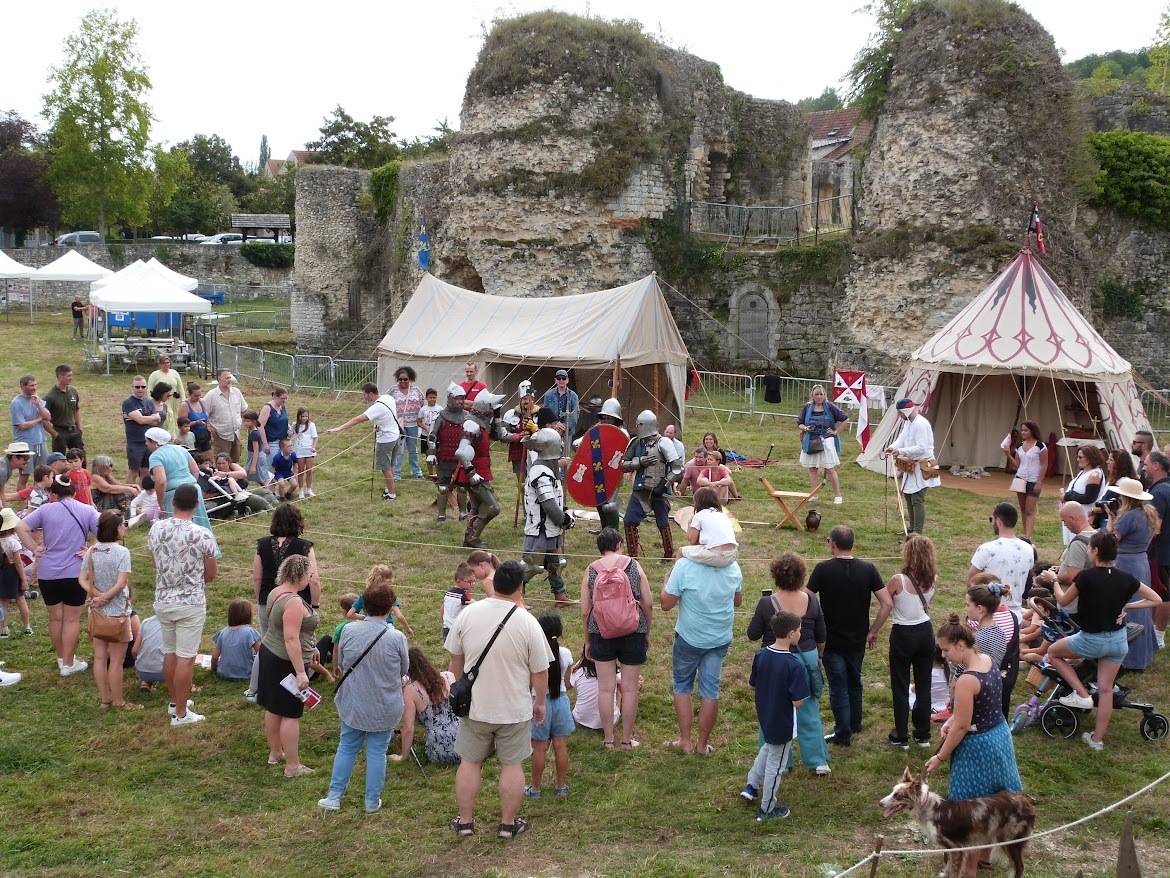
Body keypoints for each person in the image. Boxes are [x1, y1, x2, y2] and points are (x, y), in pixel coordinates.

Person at [445, 560, 553, 841]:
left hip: (475, 706)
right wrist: (539, 703)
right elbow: (540, 671)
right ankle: (507, 825)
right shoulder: (528, 622)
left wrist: (456, 689)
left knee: (469, 762)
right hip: (513, 709)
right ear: (520, 587)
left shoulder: (469, 614)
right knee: (512, 765)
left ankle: (465, 823)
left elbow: (455, 662)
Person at [924, 615, 1023, 877]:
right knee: (995, 799)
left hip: (977, 748)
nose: (943, 655)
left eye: (945, 650)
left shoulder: (967, 680)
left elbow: (962, 727)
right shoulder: (987, 660)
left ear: (960, 645)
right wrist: (955, 718)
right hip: (999, 736)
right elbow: (977, 708)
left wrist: (940, 756)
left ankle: (968, 868)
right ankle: (986, 857)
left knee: (969, 809)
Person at [1050, 532, 1163, 749]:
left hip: (1091, 640)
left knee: (1053, 653)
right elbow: (1155, 599)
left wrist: (1054, 581)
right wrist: (1128, 606)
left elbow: (1063, 602)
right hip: (1118, 641)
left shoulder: (1085, 577)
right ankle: (1097, 740)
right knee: (1106, 689)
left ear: (1095, 551)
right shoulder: (1126, 578)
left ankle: (1081, 694)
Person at [318, 579, 410, 812]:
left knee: (347, 745)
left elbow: (342, 663)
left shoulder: (348, 630)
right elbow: (403, 671)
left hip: (354, 701)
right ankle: (371, 801)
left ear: (363, 606)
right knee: (377, 750)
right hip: (384, 703)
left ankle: (334, 796)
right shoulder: (396, 637)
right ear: (391, 608)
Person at [806, 525, 891, 746]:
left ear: (832, 543)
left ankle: (843, 733)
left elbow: (806, 597)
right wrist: (873, 631)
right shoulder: (868, 568)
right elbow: (887, 603)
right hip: (858, 639)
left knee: (838, 687)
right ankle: (855, 723)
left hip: (831, 640)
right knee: (855, 682)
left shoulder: (823, 569)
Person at [746, 553, 830, 774]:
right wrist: (819, 658)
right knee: (808, 707)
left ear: (775, 575)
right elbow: (821, 634)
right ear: (802, 575)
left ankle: (779, 762)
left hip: (773, 660)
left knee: (772, 709)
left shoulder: (766, 603)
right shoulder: (811, 600)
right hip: (806, 657)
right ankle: (817, 761)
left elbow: (753, 634)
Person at [147, 483, 218, 726]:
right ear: (197, 505)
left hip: (164, 599)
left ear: (173, 503)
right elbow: (211, 573)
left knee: (170, 652)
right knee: (186, 657)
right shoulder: (202, 534)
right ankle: (180, 714)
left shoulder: (156, 529)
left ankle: (176, 701)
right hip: (191, 602)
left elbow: (156, 563)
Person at [661, 549, 743, 755]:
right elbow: (738, 601)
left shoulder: (684, 566)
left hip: (689, 638)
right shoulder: (733, 566)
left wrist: (666, 581)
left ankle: (685, 742)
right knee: (710, 690)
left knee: (682, 686)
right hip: (718, 638)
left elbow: (665, 604)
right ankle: (701, 745)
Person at [16, 475, 99, 675]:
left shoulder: (45, 509)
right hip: (74, 572)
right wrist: (91, 549)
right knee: (71, 620)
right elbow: (107, 533)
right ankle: (69, 664)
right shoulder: (88, 510)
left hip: (47, 572)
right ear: (74, 491)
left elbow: (20, 527)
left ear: (53, 494)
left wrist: (34, 548)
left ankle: (62, 659)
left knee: (55, 619)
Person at [580, 527, 652, 750]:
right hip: (633, 630)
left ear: (600, 548)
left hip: (601, 631)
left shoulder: (591, 570)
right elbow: (647, 603)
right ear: (620, 544)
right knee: (629, 689)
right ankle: (627, 739)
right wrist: (646, 630)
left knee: (605, 688)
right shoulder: (633, 565)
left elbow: (585, 610)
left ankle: (608, 739)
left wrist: (588, 639)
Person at [741, 611, 810, 821]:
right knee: (776, 765)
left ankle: (752, 785)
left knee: (768, 748)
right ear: (791, 634)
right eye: (799, 631)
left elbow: (752, 684)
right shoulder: (794, 664)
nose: (800, 634)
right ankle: (768, 808)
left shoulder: (761, 654)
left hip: (766, 714)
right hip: (784, 721)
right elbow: (798, 701)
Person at [257, 554, 320, 775]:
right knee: (291, 713)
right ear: (301, 576)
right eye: (309, 575)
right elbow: (291, 638)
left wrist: (312, 646)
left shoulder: (276, 592)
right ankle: (292, 766)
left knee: (273, 707)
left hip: (269, 652)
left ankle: (275, 753)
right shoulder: (293, 601)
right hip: (286, 661)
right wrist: (301, 673)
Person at [877, 534, 938, 749]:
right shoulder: (933, 578)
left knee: (900, 685)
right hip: (925, 632)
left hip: (903, 633)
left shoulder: (898, 580)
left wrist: (873, 630)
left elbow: (885, 601)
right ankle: (923, 734)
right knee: (924, 684)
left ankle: (901, 735)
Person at [80, 511, 139, 710]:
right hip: (118, 614)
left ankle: (105, 699)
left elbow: (82, 579)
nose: (124, 528)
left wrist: (96, 596)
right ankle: (119, 701)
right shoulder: (122, 552)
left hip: (97, 613)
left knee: (99, 657)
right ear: (116, 528)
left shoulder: (92, 551)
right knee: (116, 660)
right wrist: (104, 597)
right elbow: (122, 583)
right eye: (123, 524)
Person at [1104, 477, 1159, 670]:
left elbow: (1112, 539)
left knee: (1128, 606)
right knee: (1141, 606)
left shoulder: (1130, 516)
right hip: (1141, 561)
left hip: (1127, 563)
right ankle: (1142, 653)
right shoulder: (1148, 513)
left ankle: (1130, 658)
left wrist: (1110, 519)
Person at [622, 410, 683, 561]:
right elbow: (624, 464)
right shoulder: (636, 442)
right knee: (629, 521)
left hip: (659, 491)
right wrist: (640, 462)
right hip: (640, 490)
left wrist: (664, 484)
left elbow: (678, 468)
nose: (639, 427)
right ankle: (632, 557)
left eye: (641, 424)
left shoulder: (664, 442)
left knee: (662, 522)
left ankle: (668, 555)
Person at [522, 427, 574, 602]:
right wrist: (564, 520)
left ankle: (560, 596)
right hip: (540, 529)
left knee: (555, 563)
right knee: (532, 566)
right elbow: (549, 505)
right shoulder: (540, 473)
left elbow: (556, 500)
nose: (560, 449)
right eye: (559, 446)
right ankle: (513, 597)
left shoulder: (548, 470)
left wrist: (564, 511)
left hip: (551, 528)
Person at [526, 613, 574, 798]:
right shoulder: (566, 653)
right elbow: (568, 683)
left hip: (540, 703)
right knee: (560, 746)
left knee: (539, 748)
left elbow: (529, 684)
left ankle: (536, 789)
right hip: (561, 701)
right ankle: (561, 787)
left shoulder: (533, 655)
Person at [145, 428, 219, 544]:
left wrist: (160, 503)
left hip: (174, 493)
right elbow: (195, 470)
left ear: (154, 442)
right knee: (200, 522)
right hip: (194, 488)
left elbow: (161, 481)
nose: (145, 443)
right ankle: (207, 549)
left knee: (177, 528)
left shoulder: (155, 456)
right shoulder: (181, 449)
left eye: (147, 441)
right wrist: (190, 485)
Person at [328, 382, 399, 501]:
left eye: (364, 394)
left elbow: (357, 419)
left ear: (371, 394)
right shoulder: (388, 398)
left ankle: (391, 495)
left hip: (385, 440)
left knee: (385, 467)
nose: (363, 397)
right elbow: (386, 416)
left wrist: (339, 428)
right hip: (395, 436)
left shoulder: (376, 407)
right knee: (390, 465)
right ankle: (389, 489)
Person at [392, 646, 460, 765]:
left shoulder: (411, 691)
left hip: (440, 751)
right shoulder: (449, 676)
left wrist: (403, 756)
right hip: (466, 746)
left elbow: (408, 729)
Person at [967, 502, 1035, 616]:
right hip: (1016, 615)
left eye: (991, 519)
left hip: (989, 613)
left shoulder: (986, 549)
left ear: (998, 521)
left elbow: (971, 581)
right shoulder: (1028, 549)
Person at [884, 397, 940, 534]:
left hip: (923, 466)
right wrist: (892, 447)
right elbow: (902, 439)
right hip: (912, 466)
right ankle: (911, 528)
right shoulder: (909, 422)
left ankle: (917, 533)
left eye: (899, 412)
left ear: (905, 411)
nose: (899, 415)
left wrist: (901, 451)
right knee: (909, 497)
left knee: (917, 499)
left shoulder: (921, 424)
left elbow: (921, 448)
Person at [458, 392, 505, 548]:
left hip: (481, 470)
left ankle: (469, 537)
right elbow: (461, 451)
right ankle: (473, 538)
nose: (492, 410)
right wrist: (471, 473)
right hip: (473, 472)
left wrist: (498, 415)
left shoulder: (481, 424)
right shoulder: (471, 424)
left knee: (478, 507)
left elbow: (498, 435)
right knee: (493, 507)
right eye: (491, 408)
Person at [797, 385, 849, 505]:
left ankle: (838, 496)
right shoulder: (807, 407)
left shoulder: (830, 406)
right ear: (813, 396)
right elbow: (800, 423)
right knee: (812, 469)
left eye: (821, 394)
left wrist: (836, 431)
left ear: (824, 395)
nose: (819, 397)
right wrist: (805, 428)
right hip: (811, 440)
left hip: (826, 441)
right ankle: (814, 494)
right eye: (817, 394)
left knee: (830, 469)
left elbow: (845, 418)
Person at [427, 384, 468, 520]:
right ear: (450, 399)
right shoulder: (441, 417)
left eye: (461, 399)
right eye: (457, 399)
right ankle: (442, 514)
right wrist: (432, 453)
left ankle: (463, 513)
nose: (459, 402)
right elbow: (432, 436)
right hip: (445, 456)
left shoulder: (467, 416)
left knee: (462, 487)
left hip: (462, 457)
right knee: (443, 487)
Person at [1144, 450, 1170, 649]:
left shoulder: (1159, 493)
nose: (1143, 468)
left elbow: (1156, 527)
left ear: (1156, 466)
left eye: (1146, 464)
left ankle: (1158, 635)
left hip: (1161, 552)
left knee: (1162, 593)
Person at [1004, 419, 1047, 538]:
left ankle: (1028, 536)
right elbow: (1017, 464)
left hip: (1033, 480)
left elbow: (1044, 465)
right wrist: (1008, 454)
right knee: (1023, 509)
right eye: (1022, 430)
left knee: (1030, 510)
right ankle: (1025, 533)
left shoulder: (1040, 446)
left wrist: (1039, 482)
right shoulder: (1020, 446)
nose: (1023, 432)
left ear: (1032, 431)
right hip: (1020, 478)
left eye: (1026, 430)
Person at [11, 375, 52, 488]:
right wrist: (38, 419)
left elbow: (48, 417)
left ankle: (39, 500)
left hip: (40, 442)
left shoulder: (36, 399)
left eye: (35, 385)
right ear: (23, 386)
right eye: (31, 385)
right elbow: (22, 426)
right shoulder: (16, 403)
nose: (34, 388)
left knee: (43, 474)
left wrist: (38, 404)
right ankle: (21, 504)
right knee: (25, 475)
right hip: (26, 444)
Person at [681, 486, 738, 566]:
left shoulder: (698, 516)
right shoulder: (722, 514)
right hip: (733, 554)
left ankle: (672, 576)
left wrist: (689, 524)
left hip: (718, 555)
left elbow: (692, 541)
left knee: (681, 551)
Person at [1059, 444, 1106, 540]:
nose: (1077, 459)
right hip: (1074, 515)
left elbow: (1089, 497)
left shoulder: (1095, 474)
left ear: (1089, 459)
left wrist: (1067, 496)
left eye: (1080, 457)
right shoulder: (1083, 472)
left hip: (1084, 515)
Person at [203, 369, 249, 463]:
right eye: (226, 378)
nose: (229, 380)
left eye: (230, 377)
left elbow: (244, 409)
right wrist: (209, 428)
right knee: (222, 463)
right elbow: (203, 414)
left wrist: (243, 424)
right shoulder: (211, 395)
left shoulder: (236, 392)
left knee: (235, 461)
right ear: (219, 379)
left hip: (236, 434)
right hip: (220, 435)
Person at [211, 598, 262, 683]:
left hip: (224, 673)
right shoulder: (250, 632)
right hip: (245, 673)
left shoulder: (222, 633)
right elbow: (261, 654)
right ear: (248, 615)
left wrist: (213, 669)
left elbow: (215, 657)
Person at [0, 507, 32, 636]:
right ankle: (27, 627)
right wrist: (23, 580)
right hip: (13, 573)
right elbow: (18, 563)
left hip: (1, 573)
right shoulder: (13, 543)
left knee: (3, 602)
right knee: (20, 599)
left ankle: (3, 629)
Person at [391, 367, 425, 480]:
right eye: (400, 379)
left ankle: (416, 472)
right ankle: (396, 473)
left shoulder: (416, 390)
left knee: (413, 449)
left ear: (410, 379)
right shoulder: (393, 390)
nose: (403, 382)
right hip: (399, 425)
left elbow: (422, 403)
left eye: (405, 379)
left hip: (413, 424)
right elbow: (387, 403)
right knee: (399, 449)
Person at [43, 364, 83, 458]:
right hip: (60, 432)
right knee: (59, 461)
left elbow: (76, 410)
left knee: (81, 460)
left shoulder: (73, 391)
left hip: (74, 431)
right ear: (60, 377)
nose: (72, 378)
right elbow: (42, 419)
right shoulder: (50, 397)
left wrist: (79, 428)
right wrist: (54, 434)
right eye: (69, 376)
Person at [147, 355, 185, 440]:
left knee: (174, 418)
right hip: (161, 400)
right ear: (160, 364)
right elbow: (150, 389)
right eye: (164, 363)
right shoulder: (155, 375)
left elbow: (180, 386)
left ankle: (174, 436)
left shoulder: (174, 373)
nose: (166, 364)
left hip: (173, 400)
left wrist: (183, 399)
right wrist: (151, 402)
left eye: (168, 362)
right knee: (167, 417)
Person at [542, 369, 579, 453]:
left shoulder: (573, 396)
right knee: (551, 453)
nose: (561, 380)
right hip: (552, 430)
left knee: (565, 454)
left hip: (567, 432)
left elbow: (576, 413)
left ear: (567, 380)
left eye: (564, 378)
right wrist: (555, 424)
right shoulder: (548, 395)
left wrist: (565, 425)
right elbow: (545, 412)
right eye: (559, 378)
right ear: (555, 380)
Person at [443, 562, 476, 641]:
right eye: (470, 582)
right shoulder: (462, 595)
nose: (473, 584)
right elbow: (471, 606)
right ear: (459, 581)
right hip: (456, 630)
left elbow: (443, 609)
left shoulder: (449, 593)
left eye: (474, 581)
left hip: (446, 627)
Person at [291, 407, 318, 498]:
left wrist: (313, 447)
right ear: (299, 416)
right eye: (303, 416)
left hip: (309, 451)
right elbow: (290, 433)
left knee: (309, 471)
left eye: (306, 416)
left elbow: (315, 437)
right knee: (301, 471)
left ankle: (309, 489)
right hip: (299, 451)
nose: (304, 418)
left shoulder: (311, 425)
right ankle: (301, 490)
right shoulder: (295, 425)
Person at [176, 383, 211, 453]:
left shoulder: (202, 402)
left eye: (199, 395)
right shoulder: (184, 405)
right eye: (196, 396)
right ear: (189, 394)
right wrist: (196, 422)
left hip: (204, 435)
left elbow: (207, 420)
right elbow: (181, 425)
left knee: (208, 458)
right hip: (191, 438)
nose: (198, 397)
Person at [257, 387, 291, 458]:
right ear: (276, 396)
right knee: (272, 466)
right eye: (282, 398)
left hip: (283, 441)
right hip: (272, 442)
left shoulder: (283, 407)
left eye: (286, 398)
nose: (284, 401)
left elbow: (283, 420)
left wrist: (290, 428)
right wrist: (265, 443)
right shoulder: (267, 408)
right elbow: (260, 426)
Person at [418, 387, 442, 481]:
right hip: (425, 435)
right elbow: (419, 422)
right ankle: (430, 473)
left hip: (436, 436)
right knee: (428, 455)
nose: (432, 399)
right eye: (430, 397)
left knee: (437, 454)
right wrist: (426, 428)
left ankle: (438, 473)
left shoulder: (440, 409)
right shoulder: (423, 409)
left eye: (434, 397)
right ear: (427, 398)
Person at [0, 442, 33, 510]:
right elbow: (1, 495)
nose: (29, 461)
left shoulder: (5, 465)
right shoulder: (2, 471)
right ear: (14, 457)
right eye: (26, 458)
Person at [242, 410, 270, 486]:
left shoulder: (254, 434)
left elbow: (256, 450)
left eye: (248, 421)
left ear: (254, 421)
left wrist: (253, 466)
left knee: (260, 480)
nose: (246, 423)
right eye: (244, 421)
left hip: (256, 458)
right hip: (256, 457)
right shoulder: (252, 431)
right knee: (261, 480)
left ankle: (270, 494)